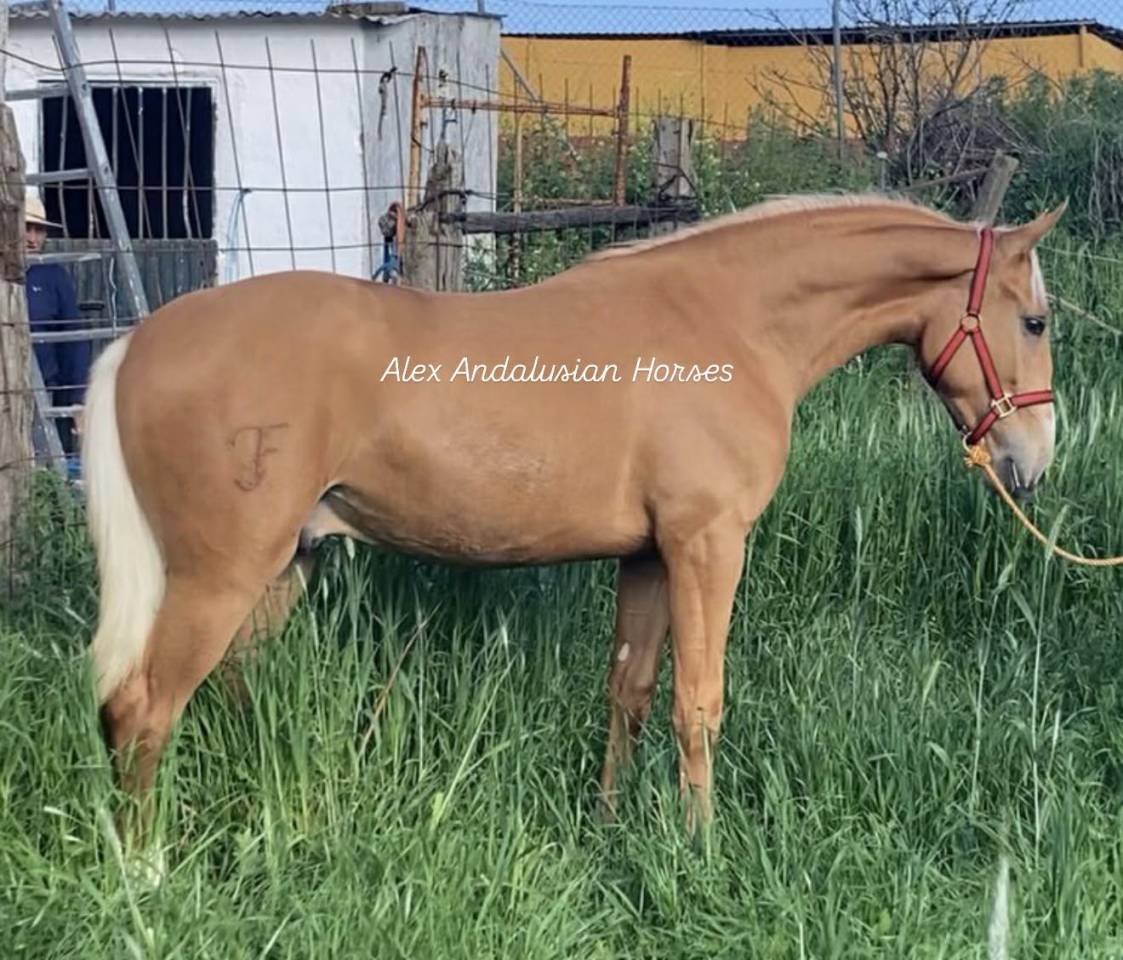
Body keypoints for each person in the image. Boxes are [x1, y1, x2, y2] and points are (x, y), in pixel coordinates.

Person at [25, 192, 88, 455]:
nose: (32, 239)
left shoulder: (53, 276)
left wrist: (77, 400)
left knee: (39, 466)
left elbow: (73, 337)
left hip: (41, 392)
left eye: (39, 230)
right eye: (26, 228)